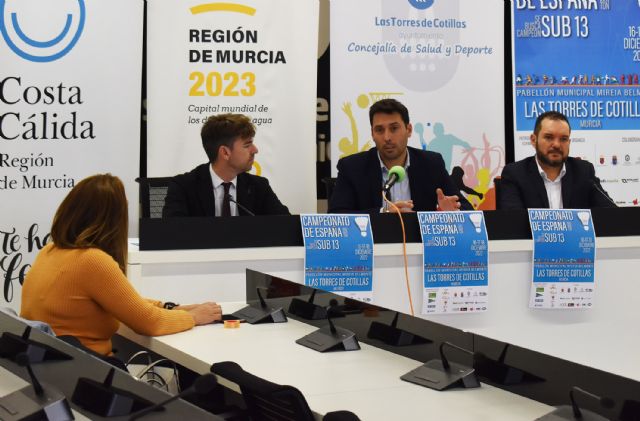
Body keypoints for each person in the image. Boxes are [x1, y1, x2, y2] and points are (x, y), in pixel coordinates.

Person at [21, 174, 222, 356]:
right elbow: (149, 322)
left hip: (55, 367)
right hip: (86, 372)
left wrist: (173, 308)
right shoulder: (92, 260)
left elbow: (122, 299)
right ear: (113, 219)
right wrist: (194, 317)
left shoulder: (50, 251)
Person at [328, 98, 472, 214]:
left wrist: (451, 211)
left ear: (408, 130)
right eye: (379, 130)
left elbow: (467, 209)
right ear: (372, 133)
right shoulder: (352, 167)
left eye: (394, 128)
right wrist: (383, 212)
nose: (387, 137)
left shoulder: (431, 163)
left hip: (418, 246)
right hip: (376, 247)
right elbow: (337, 216)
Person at [163, 113, 289, 217]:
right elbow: (172, 232)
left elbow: (285, 225)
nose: (255, 150)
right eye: (247, 145)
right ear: (225, 152)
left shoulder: (258, 186)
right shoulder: (183, 187)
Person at [499, 111, 616, 209]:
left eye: (563, 139)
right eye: (549, 137)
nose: (556, 145)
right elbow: (513, 220)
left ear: (569, 142)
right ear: (534, 140)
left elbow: (609, 212)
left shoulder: (584, 172)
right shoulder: (515, 174)